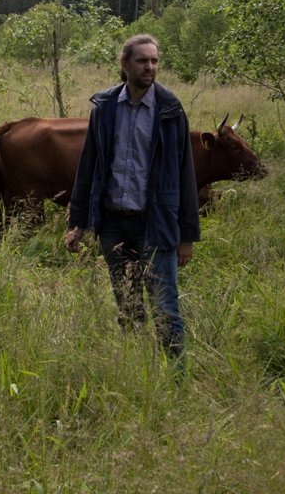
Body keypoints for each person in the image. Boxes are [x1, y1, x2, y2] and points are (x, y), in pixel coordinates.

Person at [63, 33, 200, 364]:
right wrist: (77, 222)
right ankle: (136, 370)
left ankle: (175, 379)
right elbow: (89, 168)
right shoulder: (106, 108)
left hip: (154, 225)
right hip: (113, 223)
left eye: (154, 60)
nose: (150, 67)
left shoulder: (170, 110)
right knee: (127, 303)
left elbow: (185, 175)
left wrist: (187, 235)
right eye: (142, 61)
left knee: (165, 307)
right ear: (125, 65)